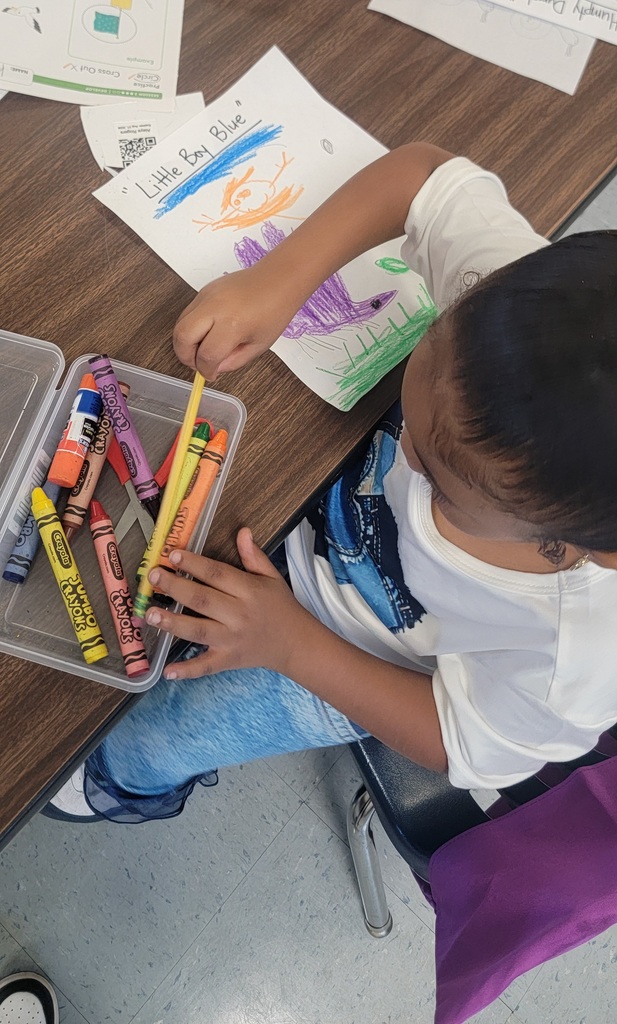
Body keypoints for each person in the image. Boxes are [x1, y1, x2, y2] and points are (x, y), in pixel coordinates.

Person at [44, 142, 617, 824]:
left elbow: (461, 741)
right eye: (430, 351)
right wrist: (278, 281)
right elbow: (420, 176)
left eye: (438, 480)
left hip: (344, 659)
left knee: (157, 734)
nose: (403, 446)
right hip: (307, 509)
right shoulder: (531, 318)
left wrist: (290, 645)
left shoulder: (582, 651)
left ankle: (118, 779)